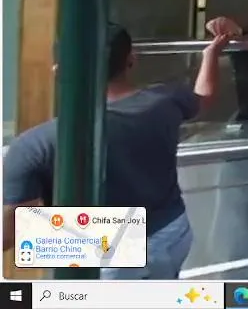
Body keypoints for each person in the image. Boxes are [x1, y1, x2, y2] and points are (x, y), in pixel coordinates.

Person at [3, 22, 232, 278]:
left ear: (58, 71)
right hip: (172, 231)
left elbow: (10, 232)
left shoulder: (34, 146)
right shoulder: (167, 101)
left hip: (110, 254)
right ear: (131, 59)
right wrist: (211, 53)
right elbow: (204, 96)